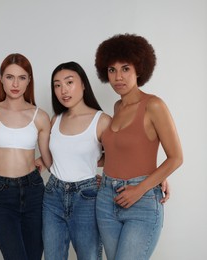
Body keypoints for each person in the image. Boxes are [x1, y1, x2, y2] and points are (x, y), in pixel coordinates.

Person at [94, 33, 183, 260]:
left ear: (139, 69)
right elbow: (121, 151)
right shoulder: (117, 107)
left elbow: (176, 157)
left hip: (141, 202)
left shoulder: (153, 105)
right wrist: (103, 177)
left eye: (125, 68)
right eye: (112, 70)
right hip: (106, 199)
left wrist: (141, 187)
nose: (118, 77)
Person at [0, 53, 53, 260]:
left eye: (22, 77)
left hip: (34, 191)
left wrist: (39, 162)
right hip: (1, 193)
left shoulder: (40, 116)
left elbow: (50, 158)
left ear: (29, 80)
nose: (15, 83)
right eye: (9, 77)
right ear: (1, 79)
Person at [41, 61, 111, 260]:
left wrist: (155, 177)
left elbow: (123, 155)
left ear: (83, 85)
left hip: (86, 197)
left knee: (89, 256)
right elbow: (60, 155)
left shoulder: (102, 120)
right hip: (53, 194)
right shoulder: (56, 119)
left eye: (69, 82)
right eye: (57, 85)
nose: (63, 90)